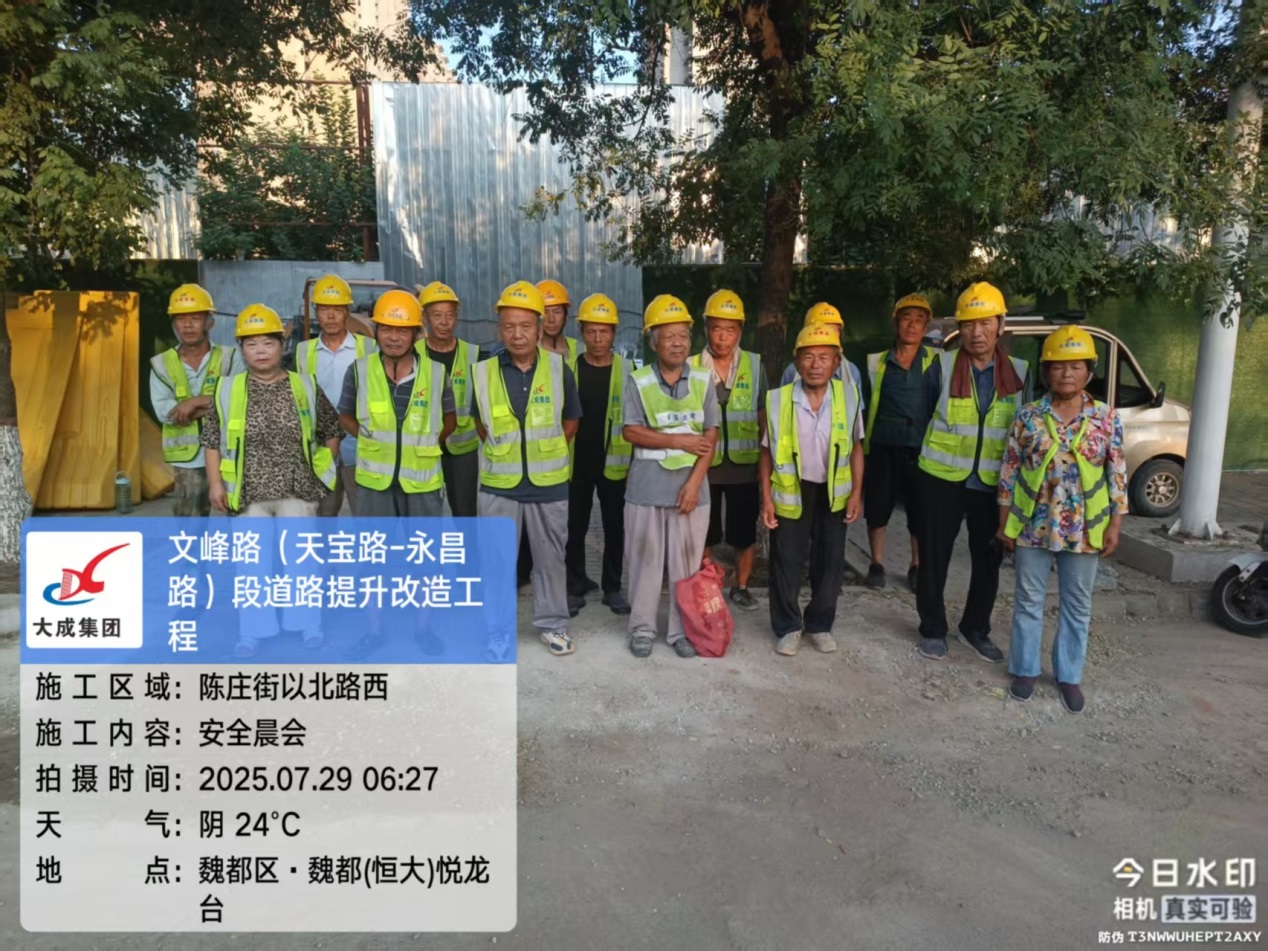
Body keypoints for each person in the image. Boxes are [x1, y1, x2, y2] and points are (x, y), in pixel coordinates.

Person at [998, 325, 1127, 713]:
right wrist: (1004, 522)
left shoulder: (1106, 418)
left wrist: (1115, 525)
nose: (1067, 373)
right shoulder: (1028, 416)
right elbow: (1010, 470)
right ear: (1047, 372)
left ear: (1089, 371)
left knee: (1077, 604)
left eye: (1076, 366)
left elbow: (1117, 473)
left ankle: (1069, 675)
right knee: (1028, 599)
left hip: (1084, 529)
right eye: (1058, 366)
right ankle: (1024, 669)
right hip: (1033, 524)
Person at [202, 303, 340, 657]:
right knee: (251, 565)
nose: (260, 351)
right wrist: (215, 484)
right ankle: (252, 631)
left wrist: (321, 472)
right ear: (241, 349)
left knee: (302, 561)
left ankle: (308, 624)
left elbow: (331, 430)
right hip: (247, 492)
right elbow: (212, 439)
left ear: (282, 345)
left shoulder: (304, 385)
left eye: (268, 343)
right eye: (251, 344)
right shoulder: (227, 389)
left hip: (297, 490)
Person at [915, 281, 1030, 662]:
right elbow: (922, 419)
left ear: (1000, 325)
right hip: (941, 478)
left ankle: (975, 628)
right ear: (959, 328)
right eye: (968, 324)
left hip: (994, 482)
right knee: (934, 556)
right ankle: (932, 628)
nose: (976, 332)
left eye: (985, 323)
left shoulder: (1020, 372)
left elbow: (1025, 432)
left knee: (988, 559)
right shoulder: (941, 366)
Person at [473, 280, 582, 658]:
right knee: (497, 562)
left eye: (525, 326)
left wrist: (543, 453)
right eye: (509, 326)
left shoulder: (558, 369)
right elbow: (480, 424)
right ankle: (497, 632)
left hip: (548, 484)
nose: (517, 334)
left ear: (539, 327)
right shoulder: (483, 372)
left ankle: (553, 625)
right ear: (499, 329)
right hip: (498, 485)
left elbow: (571, 422)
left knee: (551, 559)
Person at [622, 295, 719, 659]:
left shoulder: (704, 381)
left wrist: (694, 484)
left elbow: (711, 435)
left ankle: (682, 631)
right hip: (646, 488)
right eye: (669, 336)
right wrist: (678, 440)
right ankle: (642, 628)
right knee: (645, 563)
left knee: (686, 566)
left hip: (691, 491)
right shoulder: (639, 381)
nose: (677, 343)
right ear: (654, 342)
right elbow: (630, 431)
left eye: (682, 336)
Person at [761, 324, 865, 656]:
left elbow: (857, 447)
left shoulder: (849, 396)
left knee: (830, 562)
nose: (815, 364)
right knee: (786, 560)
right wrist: (766, 498)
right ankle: (788, 627)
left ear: (836, 362)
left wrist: (856, 492)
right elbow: (766, 451)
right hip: (791, 489)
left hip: (833, 492)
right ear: (797, 362)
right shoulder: (778, 399)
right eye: (808, 357)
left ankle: (820, 625)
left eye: (823, 357)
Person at [336, 288, 456, 518]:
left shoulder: (437, 373)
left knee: (422, 540)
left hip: (422, 482)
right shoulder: (359, 370)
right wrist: (372, 439)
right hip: (374, 481)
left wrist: (424, 443)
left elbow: (450, 421)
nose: (393, 338)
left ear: (415, 334)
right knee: (378, 540)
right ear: (376, 331)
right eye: (386, 329)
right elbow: (345, 417)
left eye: (402, 331)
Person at [688, 289, 766, 612]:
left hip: (744, 466)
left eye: (730, 329)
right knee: (703, 533)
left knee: (744, 534)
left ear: (740, 331)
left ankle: (741, 587)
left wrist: (765, 465)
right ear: (706, 328)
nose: (722, 337)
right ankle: (706, 588)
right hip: (704, 467)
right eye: (717, 328)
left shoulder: (755, 365)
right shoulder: (691, 366)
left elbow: (762, 415)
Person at [861, 293, 938, 592]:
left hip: (921, 447)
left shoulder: (935, 361)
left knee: (919, 509)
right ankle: (877, 563)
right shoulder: (877, 361)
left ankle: (916, 565)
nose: (912, 324)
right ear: (896, 323)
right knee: (877, 506)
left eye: (919, 320)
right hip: (882, 444)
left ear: (926, 327)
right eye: (907, 318)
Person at [565, 293, 633, 616]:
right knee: (574, 528)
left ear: (613, 333)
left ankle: (613, 588)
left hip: (615, 462)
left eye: (604, 331)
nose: (597, 338)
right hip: (575, 462)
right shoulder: (568, 368)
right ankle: (575, 585)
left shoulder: (628, 370)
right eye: (591, 331)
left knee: (615, 528)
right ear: (581, 332)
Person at [149, 283, 237, 517]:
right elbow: (165, 412)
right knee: (189, 528)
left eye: (195, 318)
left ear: (210, 322)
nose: (187, 325)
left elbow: (239, 399)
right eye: (180, 319)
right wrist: (215, 404)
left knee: (243, 524)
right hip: (188, 460)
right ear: (173, 324)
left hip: (231, 454)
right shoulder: (161, 365)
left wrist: (192, 402)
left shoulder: (231, 357)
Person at [296, 274, 376, 516]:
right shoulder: (303, 351)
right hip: (321, 447)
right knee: (322, 516)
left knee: (365, 514)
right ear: (316, 312)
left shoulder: (369, 348)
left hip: (359, 444)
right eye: (324, 309)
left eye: (337, 310)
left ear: (347, 312)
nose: (330, 316)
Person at [419, 281, 480, 517]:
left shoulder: (473, 354)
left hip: (462, 450)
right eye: (437, 315)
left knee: (465, 514)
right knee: (424, 515)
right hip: (422, 448)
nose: (444, 322)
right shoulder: (413, 353)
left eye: (450, 315)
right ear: (425, 317)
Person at [779, 302, 863, 391]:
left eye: (832, 331)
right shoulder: (792, 372)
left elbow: (856, 399)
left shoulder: (851, 371)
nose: (827, 337)